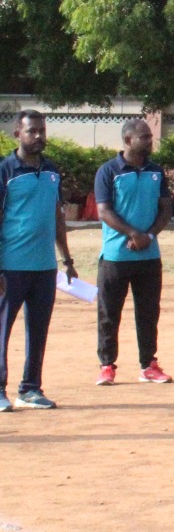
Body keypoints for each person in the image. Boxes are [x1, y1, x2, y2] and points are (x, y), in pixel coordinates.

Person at [0, 111, 77, 411]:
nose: (39, 136)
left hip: (45, 267)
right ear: (17, 134)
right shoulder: (6, 170)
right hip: (11, 265)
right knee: (3, 329)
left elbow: (57, 217)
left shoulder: (52, 171)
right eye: (32, 131)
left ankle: (30, 389)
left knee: (38, 329)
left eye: (42, 130)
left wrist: (66, 258)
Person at [93, 117, 174, 386]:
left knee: (149, 312)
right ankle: (107, 366)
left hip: (149, 256)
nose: (150, 141)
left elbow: (166, 208)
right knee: (109, 313)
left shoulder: (156, 172)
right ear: (128, 140)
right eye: (145, 137)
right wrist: (132, 234)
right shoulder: (108, 171)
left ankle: (148, 365)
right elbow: (104, 211)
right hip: (116, 256)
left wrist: (148, 236)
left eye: (150, 136)